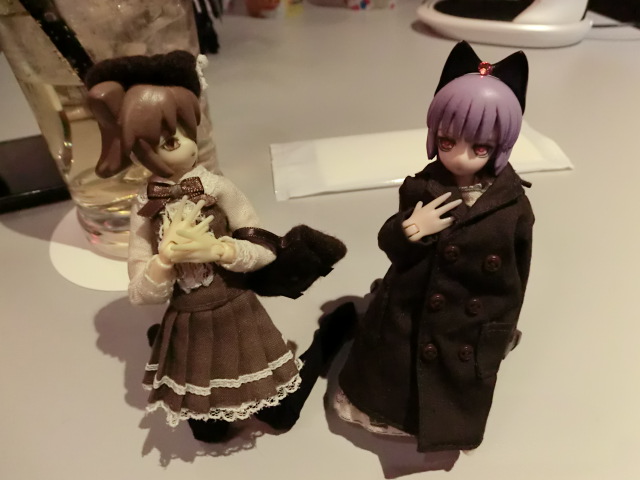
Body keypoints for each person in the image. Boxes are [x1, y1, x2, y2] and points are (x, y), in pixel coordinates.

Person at [86, 51, 349, 443]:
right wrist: (163, 261)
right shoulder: (144, 206)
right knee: (207, 432)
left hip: (236, 311)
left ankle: (327, 340)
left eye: (181, 134)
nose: (178, 146)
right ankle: (165, 342)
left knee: (281, 415)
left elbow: (264, 246)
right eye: (160, 143)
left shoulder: (217, 188)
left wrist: (220, 250)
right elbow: (140, 292)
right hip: (189, 320)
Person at [335, 41, 535, 452]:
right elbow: (390, 244)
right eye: (447, 141)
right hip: (409, 310)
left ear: (501, 146)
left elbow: (519, 274)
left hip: (468, 327)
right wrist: (412, 228)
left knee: (455, 388)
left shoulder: (514, 208)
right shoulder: (421, 188)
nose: (461, 157)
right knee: (393, 378)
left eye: (480, 147)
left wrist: (499, 331)